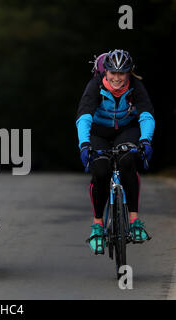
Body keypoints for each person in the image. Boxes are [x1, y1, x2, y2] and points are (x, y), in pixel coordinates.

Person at [76, 49, 155, 254]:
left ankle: (135, 220)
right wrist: (84, 144)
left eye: (122, 73)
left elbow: (146, 114)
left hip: (127, 130)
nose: (117, 78)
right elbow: (84, 116)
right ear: (106, 72)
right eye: (113, 73)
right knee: (101, 170)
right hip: (98, 132)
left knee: (128, 161)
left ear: (129, 73)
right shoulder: (95, 86)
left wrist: (146, 141)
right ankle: (98, 224)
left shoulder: (136, 86)